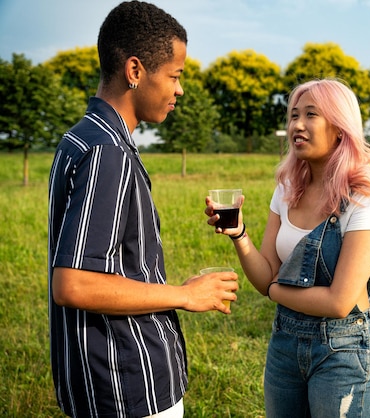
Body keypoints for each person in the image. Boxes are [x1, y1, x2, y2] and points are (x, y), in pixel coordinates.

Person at [47, 2, 238, 417]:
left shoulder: (80, 140)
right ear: (135, 71)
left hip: (98, 381)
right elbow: (74, 283)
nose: (179, 90)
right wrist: (185, 296)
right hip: (125, 385)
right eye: (175, 75)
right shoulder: (107, 153)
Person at [206, 78, 370, 418]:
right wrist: (239, 234)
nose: (297, 125)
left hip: (342, 348)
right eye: (293, 116)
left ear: (339, 128)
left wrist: (276, 291)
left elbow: (338, 302)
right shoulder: (288, 189)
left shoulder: (365, 199)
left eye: (310, 114)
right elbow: (266, 277)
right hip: (284, 341)